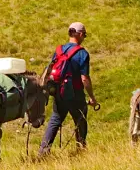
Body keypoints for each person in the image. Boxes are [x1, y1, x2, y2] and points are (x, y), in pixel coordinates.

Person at [37, 21, 98, 156]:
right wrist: (92, 97)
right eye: (84, 35)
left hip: (59, 92)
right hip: (75, 94)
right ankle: (81, 150)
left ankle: (43, 152)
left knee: (55, 120)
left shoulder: (59, 50)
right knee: (80, 120)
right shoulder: (82, 53)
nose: (84, 37)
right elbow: (84, 78)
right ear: (80, 34)